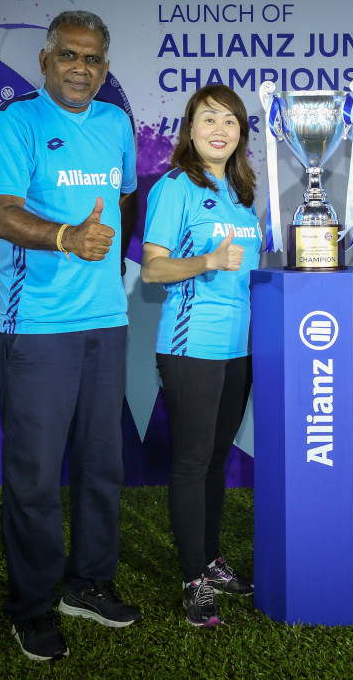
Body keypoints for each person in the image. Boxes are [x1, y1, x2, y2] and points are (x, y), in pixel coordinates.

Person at [0, 9, 142, 662]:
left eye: (94, 58)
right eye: (70, 56)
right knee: (36, 476)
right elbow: (5, 214)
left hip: (105, 321)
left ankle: (89, 583)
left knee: (103, 468)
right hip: (38, 325)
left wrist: (106, 258)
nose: (82, 68)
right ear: (45, 62)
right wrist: (67, 238)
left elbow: (125, 198)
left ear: (106, 66)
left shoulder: (115, 123)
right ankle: (33, 604)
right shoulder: (13, 123)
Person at [141, 84, 261, 628]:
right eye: (209, 119)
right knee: (192, 464)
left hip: (239, 350)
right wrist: (207, 261)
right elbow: (152, 269)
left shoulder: (241, 194)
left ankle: (211, 562)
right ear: (190, 130)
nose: (220, 129)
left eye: (231, 121)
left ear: (241, 134)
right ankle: (193, 579)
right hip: (192, 346)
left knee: (216, 461)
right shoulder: (175, 187)